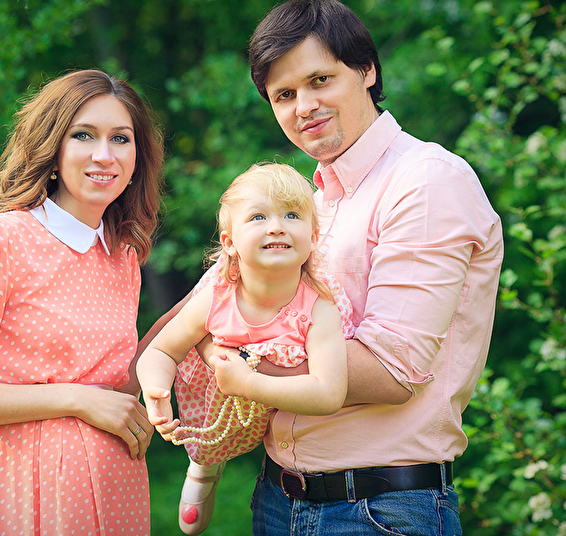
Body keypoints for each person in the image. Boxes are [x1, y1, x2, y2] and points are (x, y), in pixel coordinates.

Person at [143, 0, 504, 534]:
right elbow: (217, 299)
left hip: (377, 508)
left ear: (367, 70)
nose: (305, 106)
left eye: (320, 80)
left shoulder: (424, 181)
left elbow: (392, 371)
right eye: (284, 95)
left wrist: (233, 358)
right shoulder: (309, 204)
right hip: (278, 499)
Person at [0, 69, 164, 536]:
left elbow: (115, 386)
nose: (104, 155)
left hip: (113, 490)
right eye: (83, 135)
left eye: (120, 138)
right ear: (52, 148)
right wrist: (73, 399)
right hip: (18, 490)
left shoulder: (122, 256)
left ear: (137, 158)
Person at [137, 162, 351, 535]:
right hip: (213, 405)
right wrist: (155, 389)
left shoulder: (319, 307)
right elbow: (162, 350)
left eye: (291, 215)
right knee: (210, 443)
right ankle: (203, 468)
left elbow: (329, 392)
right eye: (258, 217)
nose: (277, 226)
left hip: (274, 406)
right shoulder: (217, 298)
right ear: (229, 242)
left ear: (314, 236)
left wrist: (248, 384)